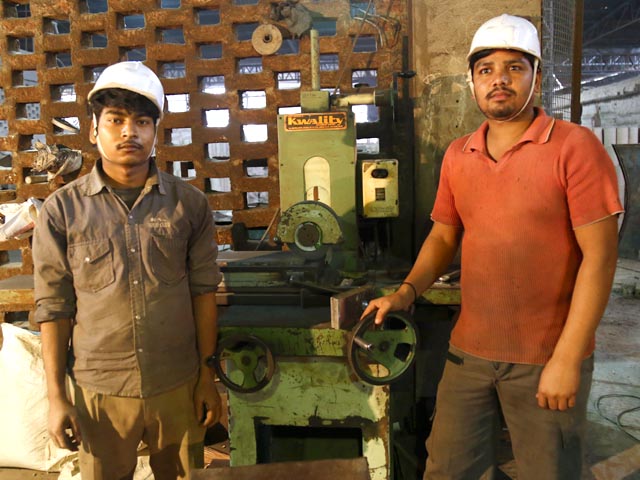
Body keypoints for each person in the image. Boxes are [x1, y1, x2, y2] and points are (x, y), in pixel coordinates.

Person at [362, 14, 623, 480]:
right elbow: (443, 236)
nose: (499, 79)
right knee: (448, 469)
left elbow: (600, 259)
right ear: (472, 82)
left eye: (514, 68)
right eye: (486, 70)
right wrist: (406, 292)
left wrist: (567, 358)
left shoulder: (575, 148)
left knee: (549, 472)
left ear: (536, 78)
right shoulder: (458, 154)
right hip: (470, 354)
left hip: (545, 357)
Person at [33, 61, 222, 480]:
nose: (128, 132)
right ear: (93, 129)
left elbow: (203, 293)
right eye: (115, 120)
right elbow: (53, 307)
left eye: (141, 122)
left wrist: (206, 377)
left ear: (155, 132)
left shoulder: (189, 205)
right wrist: (56, 396)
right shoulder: (62, 211)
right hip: (100, 390)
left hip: (177, 383)